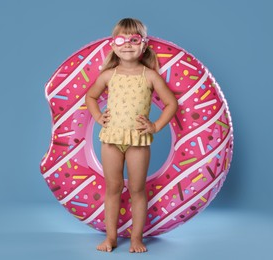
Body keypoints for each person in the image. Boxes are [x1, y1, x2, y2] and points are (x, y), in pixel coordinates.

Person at [85, 18, 178, 253]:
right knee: (113, 188)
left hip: (138, 141)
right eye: (121, 39)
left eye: (134, 40)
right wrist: (98, 117)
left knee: (137, 189)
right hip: (111, 140)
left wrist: (155, 126)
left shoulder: (150, 76)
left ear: (144, 45)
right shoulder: (109, 75)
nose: (127, 44)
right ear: (113, 45)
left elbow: (171, 104)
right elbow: (91, 97)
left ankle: (137, 238)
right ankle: (111, 238)